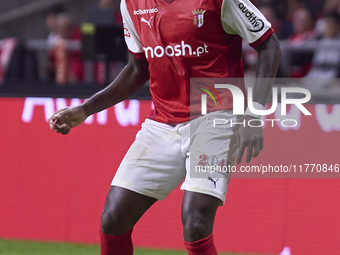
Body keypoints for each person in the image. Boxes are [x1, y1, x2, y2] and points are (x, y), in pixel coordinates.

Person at [48, 0, 281, 254]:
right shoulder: (132, 4)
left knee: (195, 223)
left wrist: (254, 115)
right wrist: (84, 110)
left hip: (217, 116)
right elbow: (137, 68)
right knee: (113, 219)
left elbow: (269, 45)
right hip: (162, 122)